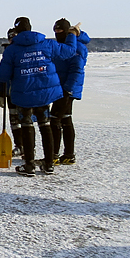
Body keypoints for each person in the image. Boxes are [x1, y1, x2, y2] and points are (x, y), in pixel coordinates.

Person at [0, 16, 78, 177]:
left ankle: (29, 165)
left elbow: (3, 75)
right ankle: (49, 164)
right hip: (44, 93)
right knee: (45, 125)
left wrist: (4, 88)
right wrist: (72, 35)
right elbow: (69, 51)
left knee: (27, 126)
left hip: (24, 93)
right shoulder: (46, 44)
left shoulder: (12, 49)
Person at [50, 19, 90, 165]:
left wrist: (68, 90)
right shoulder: (62, 45)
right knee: (66, 119)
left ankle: (53, 154)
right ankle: (68, 155)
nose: (58, 35)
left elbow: (77, 70)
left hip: (67, 89)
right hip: (60, 87)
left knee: (55, 119)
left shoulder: (77, 47)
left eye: (61, 32)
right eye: (56, 32)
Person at [0, 27, 23, 156]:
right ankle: (19, 144)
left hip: (23, 92)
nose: (12, 40)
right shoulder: (7, 52)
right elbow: (2, 75)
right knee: (14, 120)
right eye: (10, 37)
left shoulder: (23, 51)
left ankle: (28, 146)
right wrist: (1, 94)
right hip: (10, 92)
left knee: (25, 120)